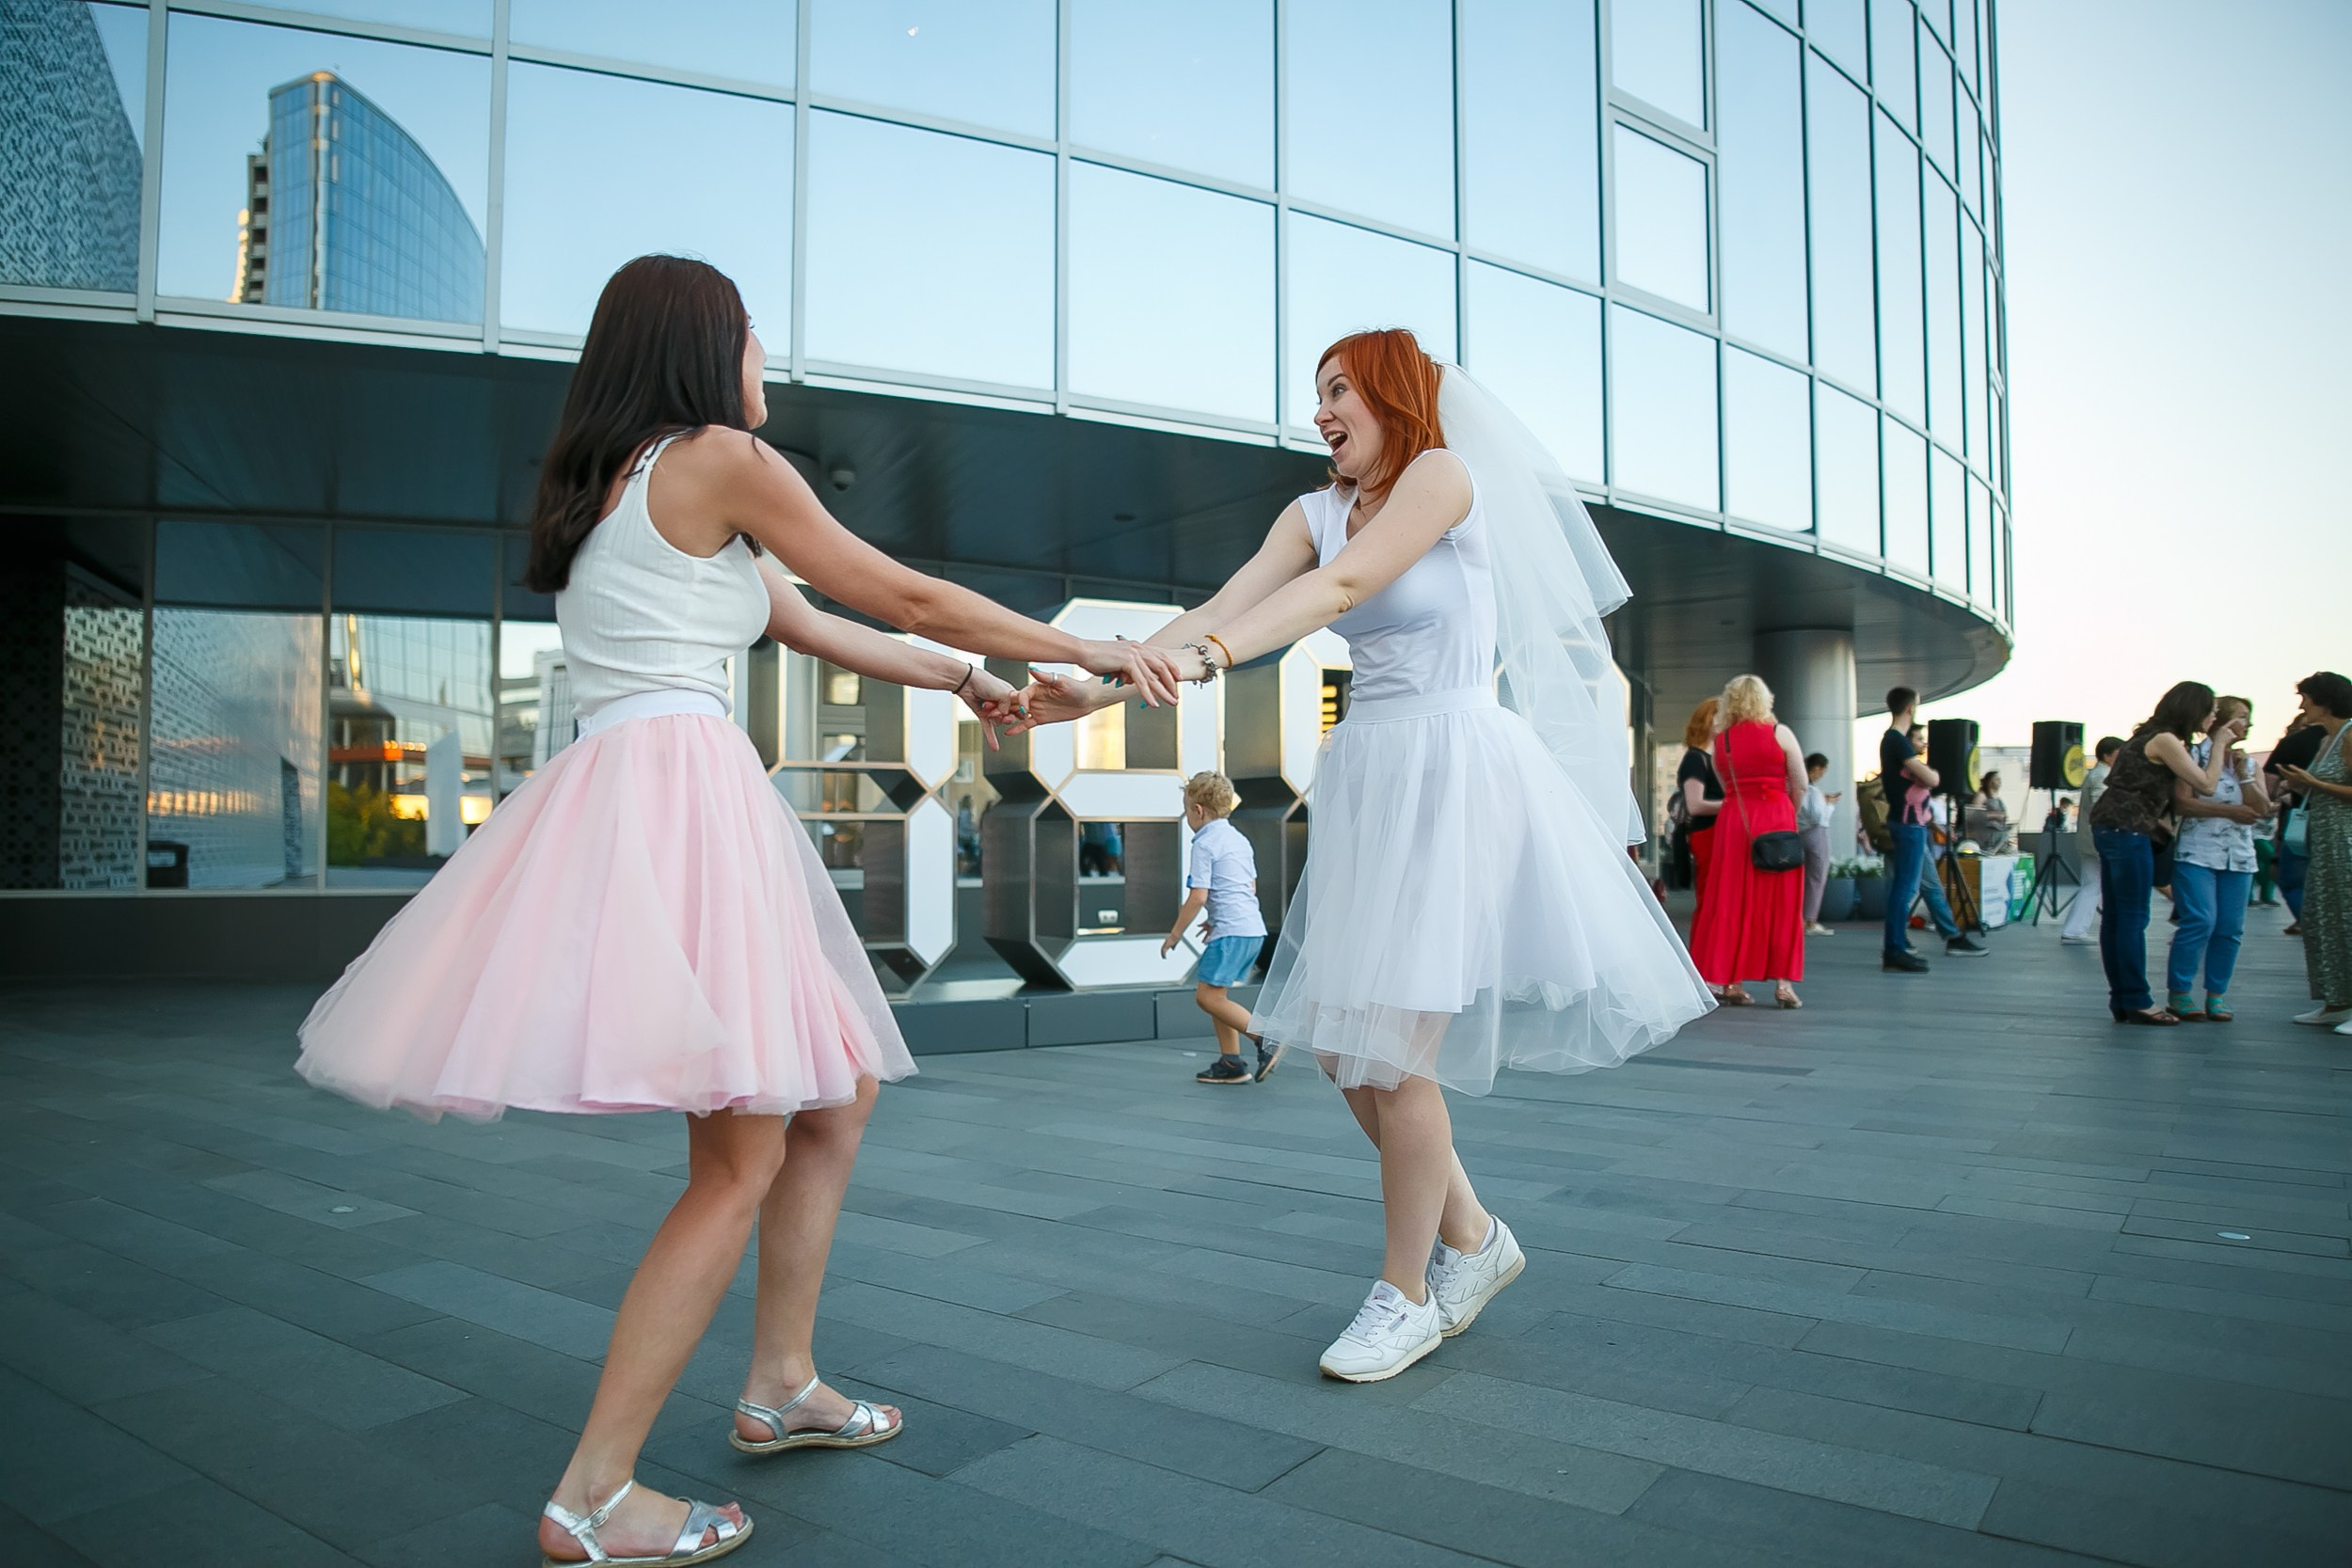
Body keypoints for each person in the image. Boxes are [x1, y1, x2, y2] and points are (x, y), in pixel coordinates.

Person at [293, 257, 1187, 1565]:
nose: (770, 358)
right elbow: (905, 587)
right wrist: (1089, 649)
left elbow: (827, 623)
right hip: (686, 796)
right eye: (757, 335)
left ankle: (779, 1380)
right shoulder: (715, 456)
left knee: (832, 1095)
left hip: (649, 791)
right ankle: (593, 1493)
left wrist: (977, 684)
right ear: (706, 345)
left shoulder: (631, 487)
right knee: (736, 1159)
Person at [1012, 328, 1713, 1382]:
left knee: (1393, 1047)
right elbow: (1221, 609)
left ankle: (1406, 1292)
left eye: (1339, 389)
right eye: (1315, 393)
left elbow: (1343, 590)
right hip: (1373, 776)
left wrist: (1202, 660)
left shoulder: (1440, 475)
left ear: (1392, 393)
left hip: (1457, 768)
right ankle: (1476, 1239)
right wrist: (1096, 685)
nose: (1321, 410)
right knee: (1346, 1047)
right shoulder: (1309, 511)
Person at [2090, 681, 2242, 1026]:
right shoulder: (2166, 741)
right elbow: (2206, 784)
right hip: (2128, 829)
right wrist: (2219, 743)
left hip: (2111, 825)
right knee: (2132, 918)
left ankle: (2124, 999)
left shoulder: (2146, 738)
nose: (2214, 716)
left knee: (2116, 918)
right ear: (2193, 709)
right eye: (2211, 710)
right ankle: (2138, 1000)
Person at [1689, 676, 1807, 1007]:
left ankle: (1730, 982)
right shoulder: (1779, 733)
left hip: (1735, 825)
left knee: (1732, 900)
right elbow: (1800, 783)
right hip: (1777, 819)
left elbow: (1727, 784)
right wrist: (1787, 812)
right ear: (1764, 699)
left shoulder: (1722, 742)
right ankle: (1784, 984)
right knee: (1782, 903)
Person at [1165, 770, 1279, 1085]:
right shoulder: (1238, 839)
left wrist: (1175, 933)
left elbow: (1198, 896)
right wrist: (1215, 920)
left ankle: (1266, 1038)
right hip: (1251, 927)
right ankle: (1231, 1063)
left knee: (1207, 998)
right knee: (1218, 995)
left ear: (1197, 810)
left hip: (1231, 930)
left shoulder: (1204, 843)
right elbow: (1249, 887)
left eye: (1187, 809)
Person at [2165, 696, 2269, 1022]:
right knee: (2200, 920)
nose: (2247, 724)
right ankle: (2179, 992)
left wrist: (2245, 778)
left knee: (2230, 928)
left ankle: (2217, 995)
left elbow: (2262, 809)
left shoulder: (2248, 763)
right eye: (2241, 717)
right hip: (2197, 852)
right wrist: (2230, 811)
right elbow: (2183, 803)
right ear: (2220, 721)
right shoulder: (2191, 756)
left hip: (2239, 856)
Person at [1879, 689, 1985, 971]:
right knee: (1903, 890)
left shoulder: (1893, 741)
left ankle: (1950, 936)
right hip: (1908, 824)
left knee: (1927, 886)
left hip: (1913, 825)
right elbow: (1931, 778)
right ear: (1911, 707)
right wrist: (1931, 775)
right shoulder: (1896, 741)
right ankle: (1895, 950)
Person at [2274, 671, 2352, 1031]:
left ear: (2325, 700)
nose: (2302, 704)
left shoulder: (2350, 735)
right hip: (2325, 842)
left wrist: (2313, 783)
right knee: (2325, 920)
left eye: (2305, 697)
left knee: (2346, 919)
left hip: (2345, 843)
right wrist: (2302, 786)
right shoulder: (2328, 740)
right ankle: (2336, 1001)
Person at [2267, 705, 2327, 933]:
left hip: (2299, 819)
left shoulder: (2292, 745)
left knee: (2289, 874)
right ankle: (2310, 921)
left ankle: (2309, 922)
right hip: (2317, 821)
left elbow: (2269, 788)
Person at [2061, 736, 2124, 945]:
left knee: (2091, 885)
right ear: (2107, 755)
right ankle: (2077, 929)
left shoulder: (2098, 774)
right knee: (2097, 885)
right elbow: (2102, 807)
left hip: (2089, 840)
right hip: (2099, 840)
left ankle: (2075, 929)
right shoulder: (2102, 777)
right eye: (2118, 753)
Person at [1676, 698, 1724, 929]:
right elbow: (1694, 804)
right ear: (1708, 722)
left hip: (1714, 834)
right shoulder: (1695, 759)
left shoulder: (1709, 758)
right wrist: (1732, 805)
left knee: (1716, 899)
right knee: (1709, 899)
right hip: (1707, 834)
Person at [1799, 752, 1841, 935]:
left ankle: (1801, 919)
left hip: (1799, 833)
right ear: (1817, 768)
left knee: (1802, 877)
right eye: (1822, 772)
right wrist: (1830, 805)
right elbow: (1818, 817)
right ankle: (1811, 920)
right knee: (1817, 877)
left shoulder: (1797, 788)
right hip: (1817, 834)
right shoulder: (1813, 791)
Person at [1964, 771, 2013, 853]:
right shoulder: (1982, 795)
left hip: (2000, 836)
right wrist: (1994, 815)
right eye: (1997, 779)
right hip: (1987, 837)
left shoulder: (1997, 799)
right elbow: (1972, 815)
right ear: (1990, 781)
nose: (2000, 781)